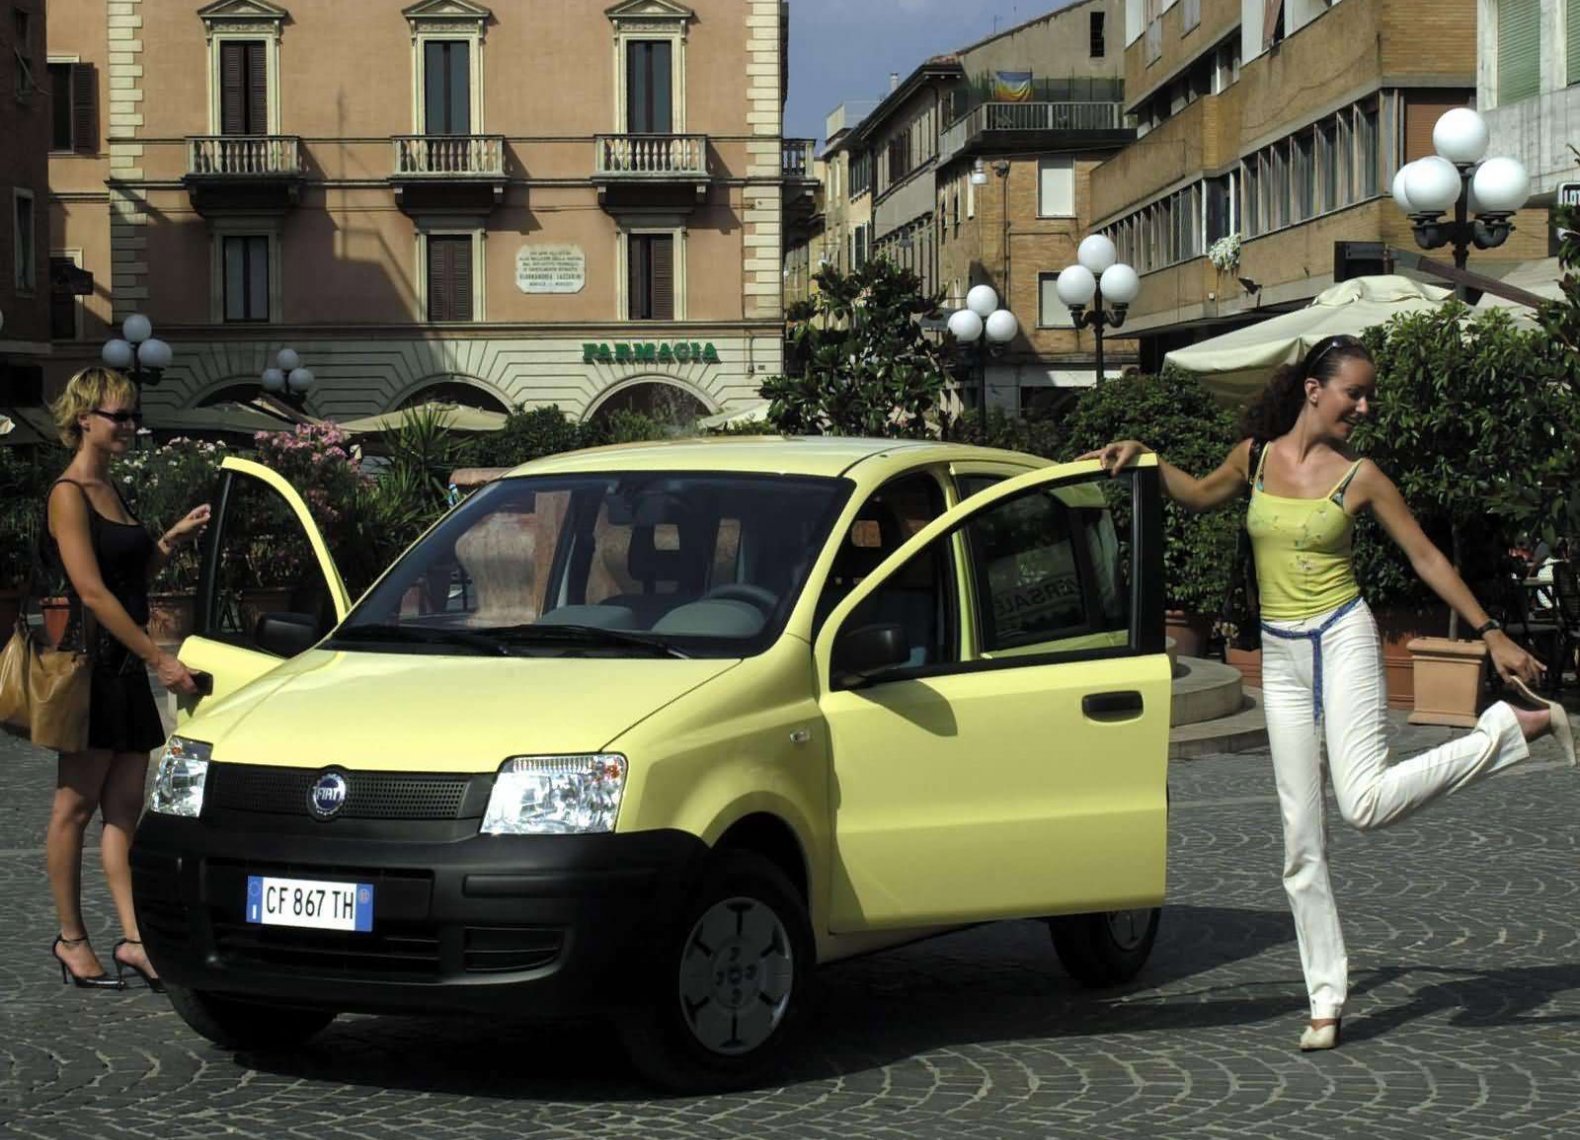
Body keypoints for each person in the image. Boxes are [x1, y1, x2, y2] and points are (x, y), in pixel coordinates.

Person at [1084, 335, 1575, 1052]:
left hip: (1342, 638)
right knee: (1299, 839)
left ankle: (1505, 732)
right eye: (1355, 393)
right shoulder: (1253, 458)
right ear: (1315, 390)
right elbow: (1197, 495)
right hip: (1280, 656)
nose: (1365, 407)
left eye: (1369, 395)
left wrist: (1490, 631)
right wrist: (1147, 458)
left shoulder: (1362, 476)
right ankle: (1326, 998)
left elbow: (1425, 556)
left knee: (1364, 803)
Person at [42, 367, 209, 992]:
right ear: (84, 418)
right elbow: (90, 591)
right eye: (119, 416)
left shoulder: (110, 487)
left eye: (133, 415)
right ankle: (71, 939)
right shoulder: (69, 493)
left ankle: (136, 941)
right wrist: (158, 658)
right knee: (75, 807)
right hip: (92, 669)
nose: (130, 426)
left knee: (123, 810)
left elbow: (129, 578)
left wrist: (170, 539)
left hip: (122, 667)